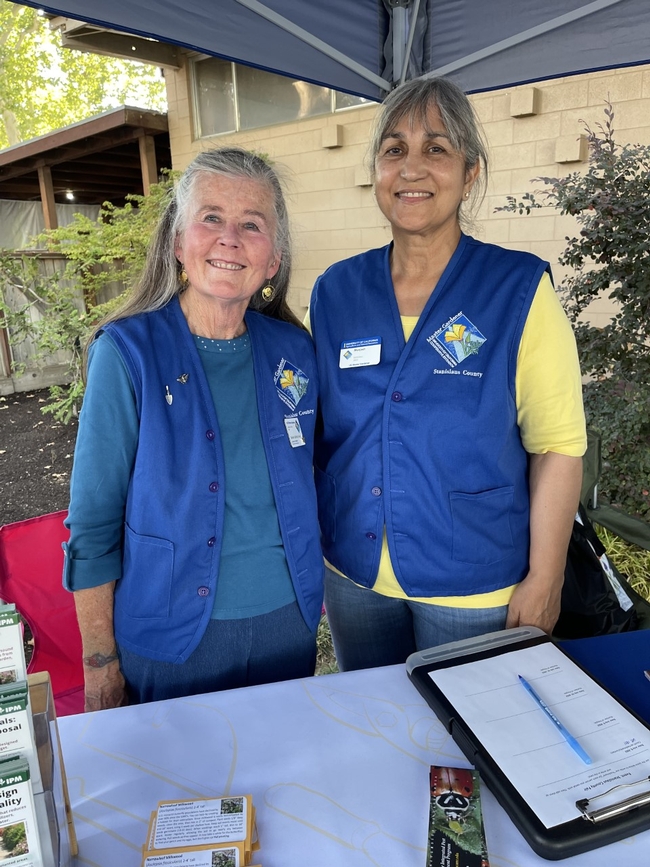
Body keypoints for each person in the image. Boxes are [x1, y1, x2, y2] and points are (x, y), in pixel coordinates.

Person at [308, 78, 586, 671]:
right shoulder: (335, 291)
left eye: (436, 149)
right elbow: (318, 429)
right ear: (377, 172)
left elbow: (558, 446)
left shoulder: (516, 290)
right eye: (393, 150)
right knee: (379, 736)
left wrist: (547, 575)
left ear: (471, 172)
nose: (412, 168)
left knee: (468, 748)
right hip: (354, 575)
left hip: (476, 584)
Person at [63, 148, 324, 709]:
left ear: (273, 259)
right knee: (177, 796)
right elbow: (93, 521)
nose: (229, 238)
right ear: (179, 243)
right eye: (210, 218)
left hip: (288, 622)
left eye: (251, 225)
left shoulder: (295, 350)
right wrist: (100, 662)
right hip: (172, 637)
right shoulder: (128, 352)